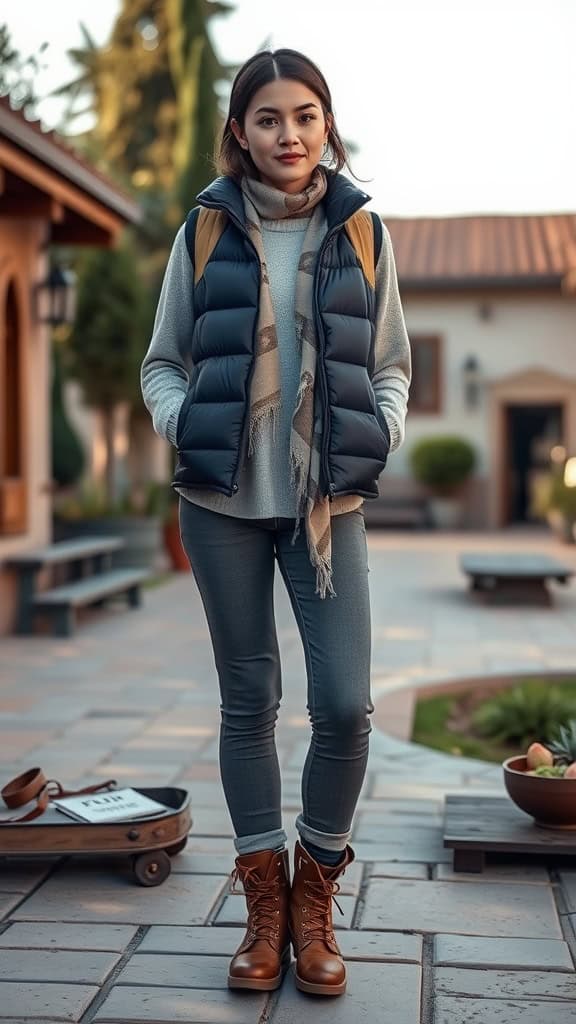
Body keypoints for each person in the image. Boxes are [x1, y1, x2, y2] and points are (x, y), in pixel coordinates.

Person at [141, 47, 411, 997]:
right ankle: (265, 904)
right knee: (247, 703)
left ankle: (315, 893)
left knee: (345, 706)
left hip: (326, 506)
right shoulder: (205, 231)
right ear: (240, 132)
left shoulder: (364, 232)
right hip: (221, 501)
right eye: (267, 118)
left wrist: (379, 430)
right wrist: (190, 425)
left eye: (304, 115)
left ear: (327, 126)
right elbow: (162, 361)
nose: (287, 134)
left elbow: (390, 367)